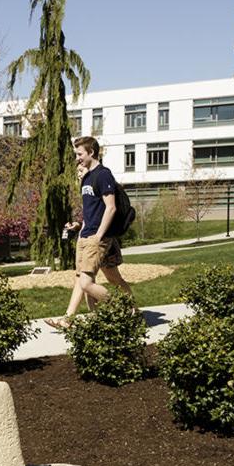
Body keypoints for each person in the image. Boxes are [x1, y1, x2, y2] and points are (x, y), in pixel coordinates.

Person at [45, 136, 132, 329]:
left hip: (97, 237)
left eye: (79, 154)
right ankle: (68, 319)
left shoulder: (103, 175)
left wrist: (98, 236)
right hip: (85, 235)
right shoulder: (87, 177)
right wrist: (79, 226)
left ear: (91, 152)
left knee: (87, 283)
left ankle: (123, 308)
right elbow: (93, 210)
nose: (77, 158)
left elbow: (111, 208)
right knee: (85, 279)